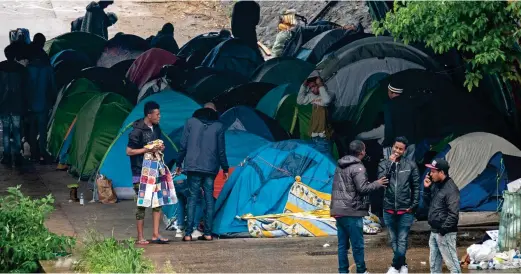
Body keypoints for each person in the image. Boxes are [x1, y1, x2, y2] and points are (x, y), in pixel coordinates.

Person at [331, 140, 389, 274]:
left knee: (342, 245)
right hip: (351, 211)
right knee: (358, 245)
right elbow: (362, 188)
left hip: (338, 211)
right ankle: (361, 271)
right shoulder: (358, 167)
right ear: (362, 151)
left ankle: (342, 271)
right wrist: (377, 183)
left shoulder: (340, 165)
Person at [176, 102, 229, 242]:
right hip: (211, 168)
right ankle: (208, 233)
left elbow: (183, 144)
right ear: (214, 111)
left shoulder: (190, 122)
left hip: (193, 167)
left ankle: (187, 234)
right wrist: (225, 168)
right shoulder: (219, 126)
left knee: (192, 198)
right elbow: (221, 150)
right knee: (209, 199)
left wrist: (178, 162)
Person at [126, 101, 168, 245]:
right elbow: (129, 151)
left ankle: (156, 234)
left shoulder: (156, 128)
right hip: (140, 172)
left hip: (155, 169)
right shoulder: (137, 130)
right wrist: (146, 149)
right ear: (149, 115)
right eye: (157, 114)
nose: (159, 116)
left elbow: (159, 145)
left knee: (157, 203)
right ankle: (140, 237)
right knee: (142, 205)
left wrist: (160, 147)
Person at [378, 136, 420, 274]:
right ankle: (403, 265)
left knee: (402, 239)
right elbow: (382, 181)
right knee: (393, 240)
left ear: (405, 150)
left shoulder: (410, 165)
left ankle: (395, 266)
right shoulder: (384, 164)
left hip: (406, 209)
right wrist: (390, 164)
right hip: (388, 208)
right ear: (392, 147)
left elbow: (416, 187)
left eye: (400, 149)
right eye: (396, 147)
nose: (397, 151)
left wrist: (413, 205)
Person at [423, 158, 461, 273]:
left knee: (453, 265)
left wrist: (443, 231)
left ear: (441, 172)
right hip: (434, 231)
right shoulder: (435, 184)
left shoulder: (451, 189)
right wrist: (427, 189)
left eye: (433, 171)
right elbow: (428, 204)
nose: (430, 174)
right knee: (434, 265)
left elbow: (454, 214)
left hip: (445, 233)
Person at [25, 44, 56, 164]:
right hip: (43, 103)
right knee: (42, 130)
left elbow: (25, 87)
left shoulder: (28, 68)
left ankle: (33, 153)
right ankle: (43, 152)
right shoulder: (47, 68)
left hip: (31, 104)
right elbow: (52, 87)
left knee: (32, 128)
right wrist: (53, 100)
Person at [0, 44, 27, 167]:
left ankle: (6, 156)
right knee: (16, 131)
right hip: (17, 104)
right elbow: (25, 88)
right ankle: (17, 155)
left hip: (4, 104)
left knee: (5, 130)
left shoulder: (0, 67)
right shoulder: (21, 69)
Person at [296, 72, 333, 155]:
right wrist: (304, 85)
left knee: (326, 160)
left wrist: (320, 84)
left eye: (313, 86)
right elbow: (299, 101)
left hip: (324, 137)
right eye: (310, 87)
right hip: (314, 136)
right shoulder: (311, 96)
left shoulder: (329, 94)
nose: (312, 89)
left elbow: (326, 101)